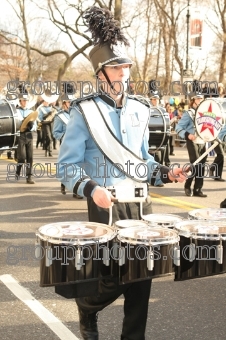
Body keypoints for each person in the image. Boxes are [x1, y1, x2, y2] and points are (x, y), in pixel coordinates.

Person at [57, 6, 187, 340]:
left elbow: (142, 161)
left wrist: (166, 172)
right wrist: (90, 189)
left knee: (142, 277)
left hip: (141, 205)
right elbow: (66, 166)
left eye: (126, 66)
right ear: (100, 73)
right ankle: (88, 306)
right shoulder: (83, 113)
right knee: (113, 275)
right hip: (104, 203)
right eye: (116, 68)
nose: (123, 73)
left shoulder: (141, 109)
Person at [175, 93, 208, 197]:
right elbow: (178, 128)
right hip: (192, 141)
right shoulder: (189, 113)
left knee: (201, 166)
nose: (200, 100)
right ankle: (187, 185)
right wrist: (188, 135)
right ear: (194, 100)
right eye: (198, 98)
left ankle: (198, 189)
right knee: (195, 164)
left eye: (201, 98)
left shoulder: (206, 113)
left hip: (203, 141)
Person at [52, 93, 82, 197]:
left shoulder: (77, 114)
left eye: (72, 102)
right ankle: (64, 183)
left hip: (78, 143)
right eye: (69, 102)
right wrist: (65, 136)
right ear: (64, 103)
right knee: (67, 165)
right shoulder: (59, 116)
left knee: (79, 166)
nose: (71, 104)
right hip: (66, 144)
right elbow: (55, 133)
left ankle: (76, 191)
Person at [15, 93, 37, 184]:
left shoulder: (30, 112)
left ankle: (29, 177)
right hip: (21, 134)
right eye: (24, 101)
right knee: (22, 157)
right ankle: (18, 171)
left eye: (26, 100)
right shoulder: (16, 111)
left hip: (29, 134)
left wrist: (31, 126)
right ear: (20, 101)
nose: (25, 102)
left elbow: (35, 126)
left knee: (30, 156)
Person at [37, 88, 59, 157]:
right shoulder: (41, 108)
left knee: (51, 138)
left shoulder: (52, 108)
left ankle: (48, 150)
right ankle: (48, 150)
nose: (47, 102)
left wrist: (54, 112)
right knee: (48, 137)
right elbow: (39, 118)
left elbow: (56, 116)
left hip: (51, 123)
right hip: (45, 124)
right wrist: (46, 115)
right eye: (45, 101)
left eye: (47, 101)